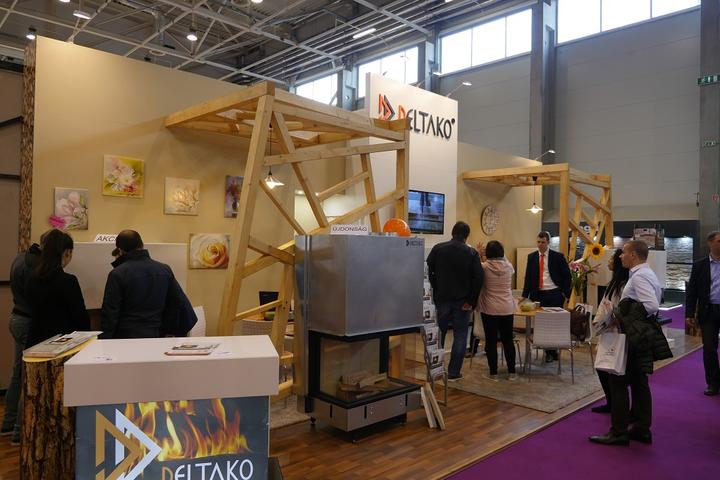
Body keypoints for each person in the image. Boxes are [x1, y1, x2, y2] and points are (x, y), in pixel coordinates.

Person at [590, 240, 663, 446]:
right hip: (639, 335)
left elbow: (651, 306)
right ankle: (641, 428)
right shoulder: (646, 273)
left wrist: (621, 318)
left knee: (618, 382)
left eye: (624, 253)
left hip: (632, 336)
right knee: (639, 382)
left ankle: (619, 432)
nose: (620, 256)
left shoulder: (639, 276)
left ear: (633, 255)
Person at [101, 230, 194, 338]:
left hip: (126, 336)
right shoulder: (164, 269)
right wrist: (165, 328)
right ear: (142, 245)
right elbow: (176, 302)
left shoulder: (117, 274)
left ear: (120, 250)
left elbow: (111, 313)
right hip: (156, 333)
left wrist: (104, 339)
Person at [1, 236, 45, 445]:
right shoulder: (35, 265)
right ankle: (19, 431)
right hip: (28, 320)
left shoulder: (20, 257)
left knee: (17, 373)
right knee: (27, 375)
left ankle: (8, 423)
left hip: (16, 316)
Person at [427, 221, 484, 381]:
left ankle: (436, 370)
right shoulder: (471, 253)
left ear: (452, 233)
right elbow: (478, 278)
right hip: (463, 302)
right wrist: (471, 300)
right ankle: (453, 372)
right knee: (460, 335)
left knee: (438, 335)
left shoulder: (438, 248)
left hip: (442, 299)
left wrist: (435, 288)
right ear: (467, 236)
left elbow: (428, 270)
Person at [26, 229, 90, 346]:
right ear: (67, 252)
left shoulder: (32, 278)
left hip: (36, 341)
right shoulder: (68, 281)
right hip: (62, 343)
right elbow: (80, 316)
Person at [521, 231, 571, 362]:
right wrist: (524, 295)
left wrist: (565, 294)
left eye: (543, 242)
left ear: (548, 242)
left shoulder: (557, 257)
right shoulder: (532, 257)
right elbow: (528, 277)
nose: (540, 244)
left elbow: (567, 276)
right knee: (542, 324)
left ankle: (552, 351)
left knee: (553, 324)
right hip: (539, 295)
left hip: (555, 293)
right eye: (538, 242)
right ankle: (549, 352)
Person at [591, 248, 630, 414]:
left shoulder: (623, 285)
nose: (609, 261)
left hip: (617, 331)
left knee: (614, 370)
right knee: (602, 366)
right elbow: (604, 304)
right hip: (607, 329)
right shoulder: (614, 283)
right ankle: (610, 402)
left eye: (612, 258)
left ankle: (616, 405)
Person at [476, 240, 517, 381]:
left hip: (489, 308)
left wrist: (478, 253)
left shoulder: (484, 267)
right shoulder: (509, 267)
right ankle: (512, 372)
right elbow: (504, 259)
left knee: (491, 341)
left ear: (487, 253)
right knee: (508, 340)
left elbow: (475, 267)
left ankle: (493, 373)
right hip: (507, 308)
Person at [685, 230, 720, 396]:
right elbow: (692, 292)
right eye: (719, 241)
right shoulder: (699, 265)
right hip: (708, 312)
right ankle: (713, 383)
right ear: (710, 243)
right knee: (709, 349)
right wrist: (689, 314)